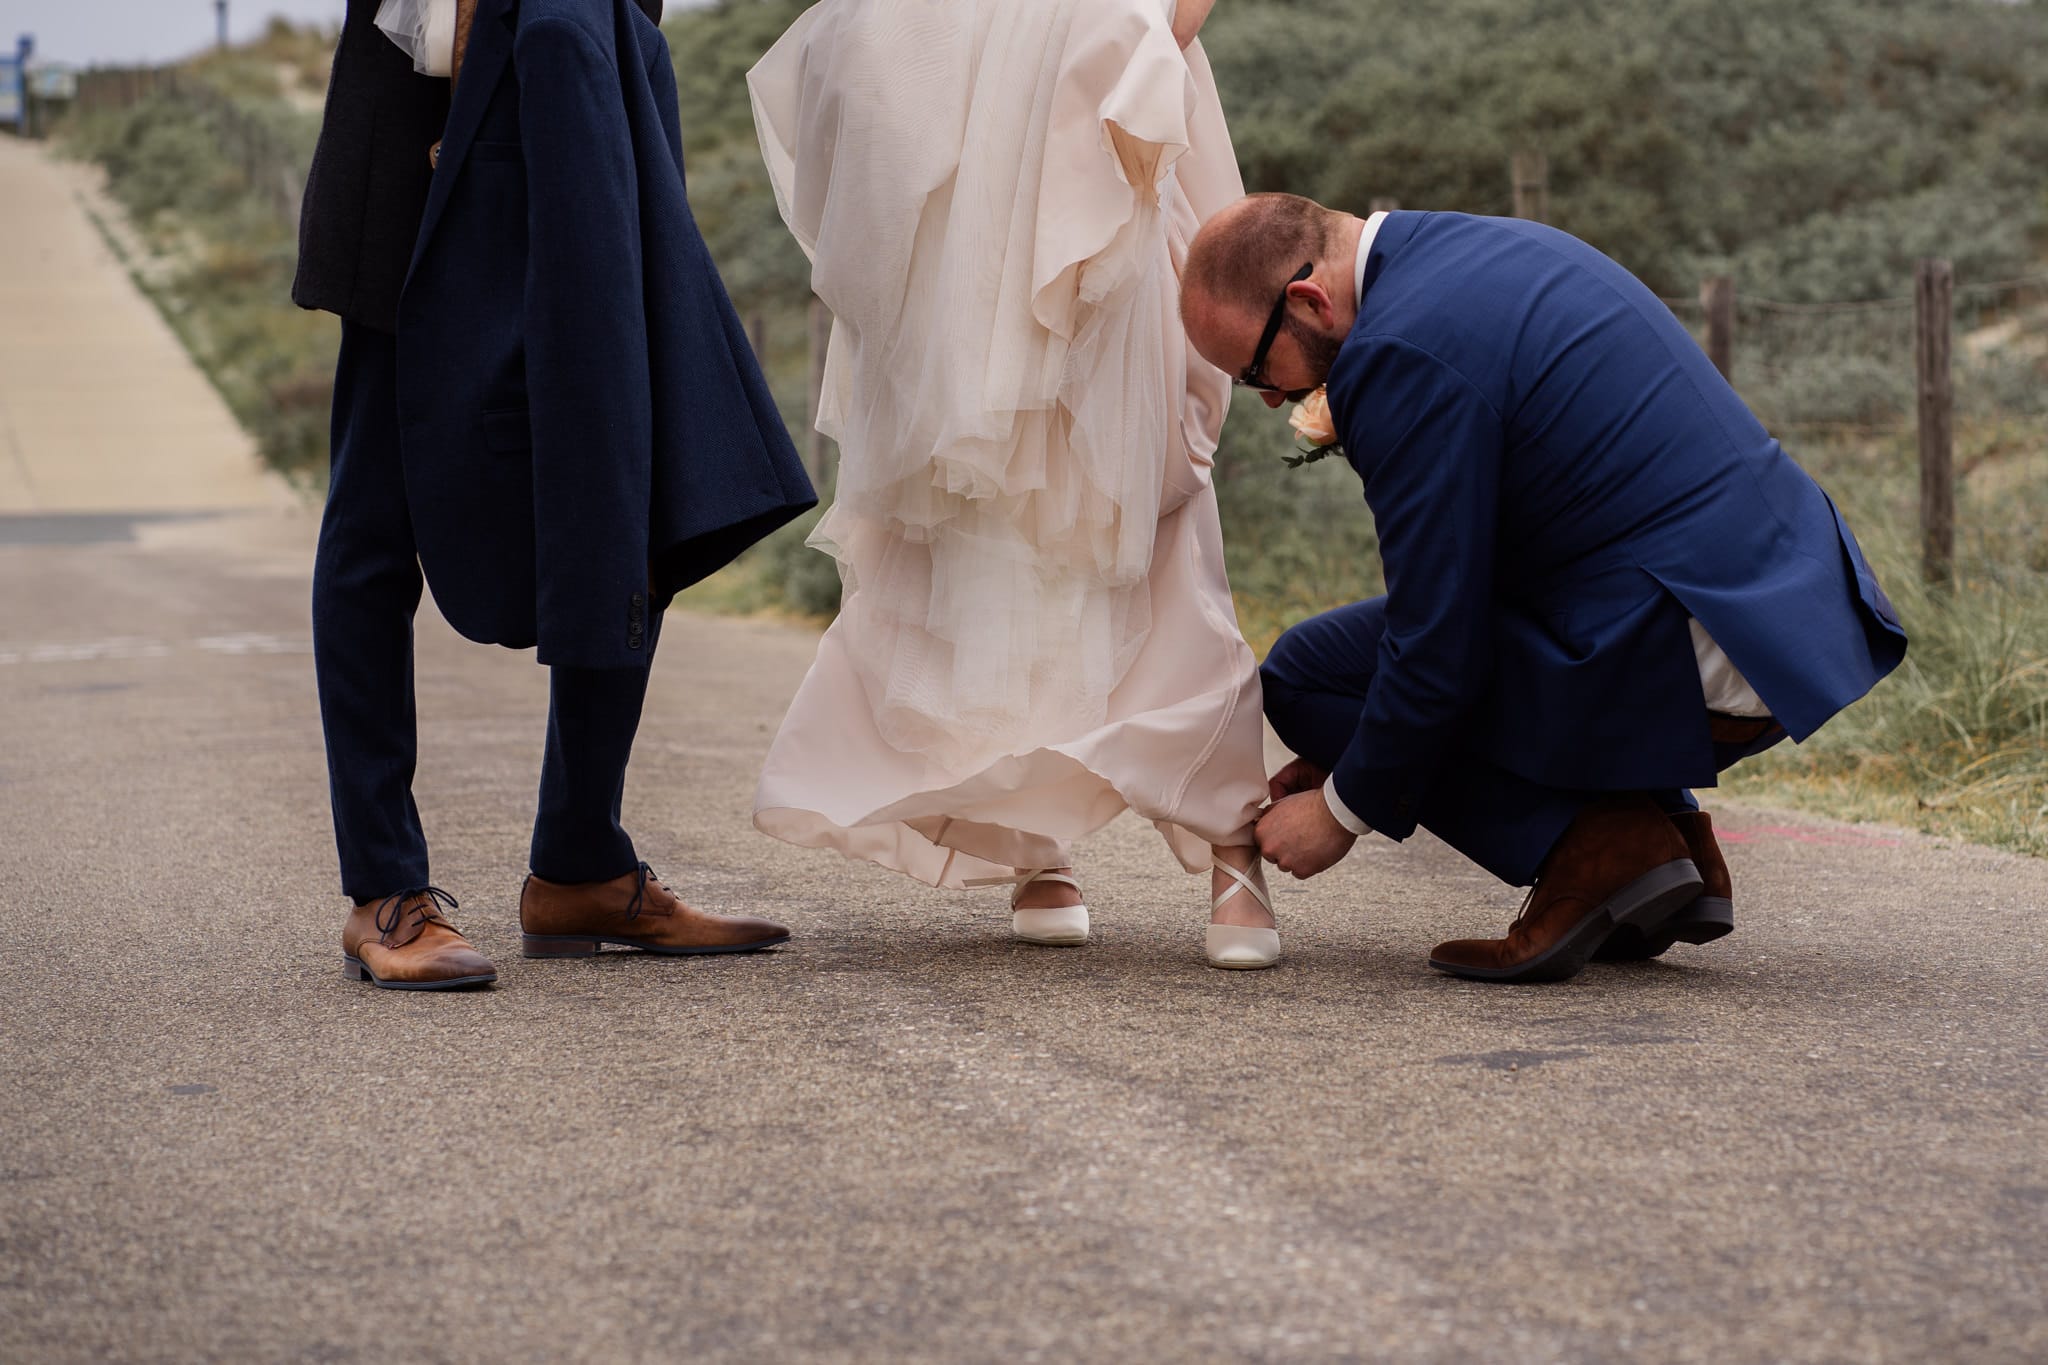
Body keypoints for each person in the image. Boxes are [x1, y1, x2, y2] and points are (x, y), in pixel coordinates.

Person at [1179, 195, 1908, 983]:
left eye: (1257, 369)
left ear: (1308, 300)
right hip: (1778, 607)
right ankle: (1669, 833)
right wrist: (1368, 752)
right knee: (1357, 664)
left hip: (1693, 634)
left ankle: (1600, 850)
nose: (1273, 400)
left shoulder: (1397, 353)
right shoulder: (1472, 248)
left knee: (1308, 677)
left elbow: (1436, 648)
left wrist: (1343, 806)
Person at [745, 0, 1282, 968]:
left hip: (1102, 94)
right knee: (980, 504)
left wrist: (1151, 42)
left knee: (1143, 481)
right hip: (957, 119)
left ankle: (1229, 843)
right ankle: (1037, 842)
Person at [293, 0, 816, 989]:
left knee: (631, 459)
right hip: (417, 133)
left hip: (578, 97)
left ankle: (580, 862)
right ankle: (383, 890)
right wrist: (465, 82)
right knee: (374, 520)